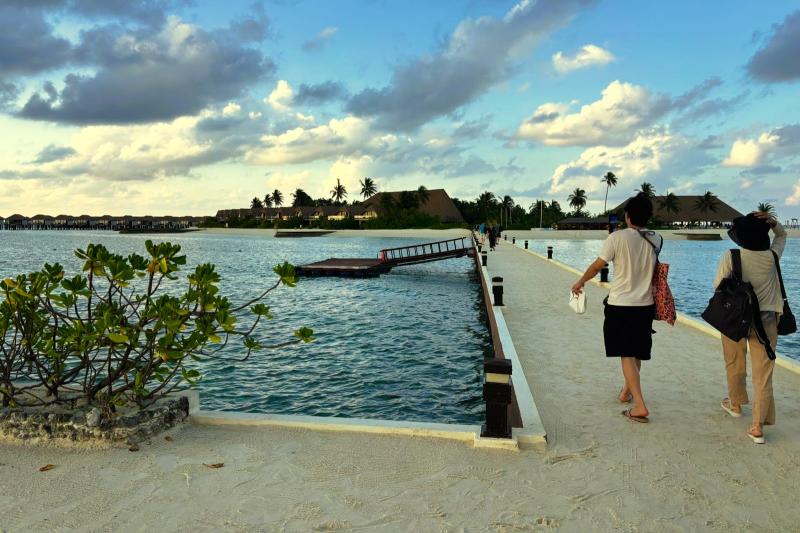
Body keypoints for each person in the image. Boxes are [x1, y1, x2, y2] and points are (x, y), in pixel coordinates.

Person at [571, 193, 662, 423]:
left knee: (626, 353)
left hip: (621, 304)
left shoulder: (616, 238)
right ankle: (626, 392)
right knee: (636, 351)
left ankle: (639, 405)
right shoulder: (657, 239)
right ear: (647, 217)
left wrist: (580, 281)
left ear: (628, 216)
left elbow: (597, 266)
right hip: (645, 305)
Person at [713, 212, 786, 444]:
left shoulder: (732, 255)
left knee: (734, 362)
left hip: (735, 318)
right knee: (763, 374)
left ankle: (735, 404)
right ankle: (757, 426)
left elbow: (718, 285)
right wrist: (773, 223)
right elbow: (782, 236)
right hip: (766, 321)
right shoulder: (772, 256)